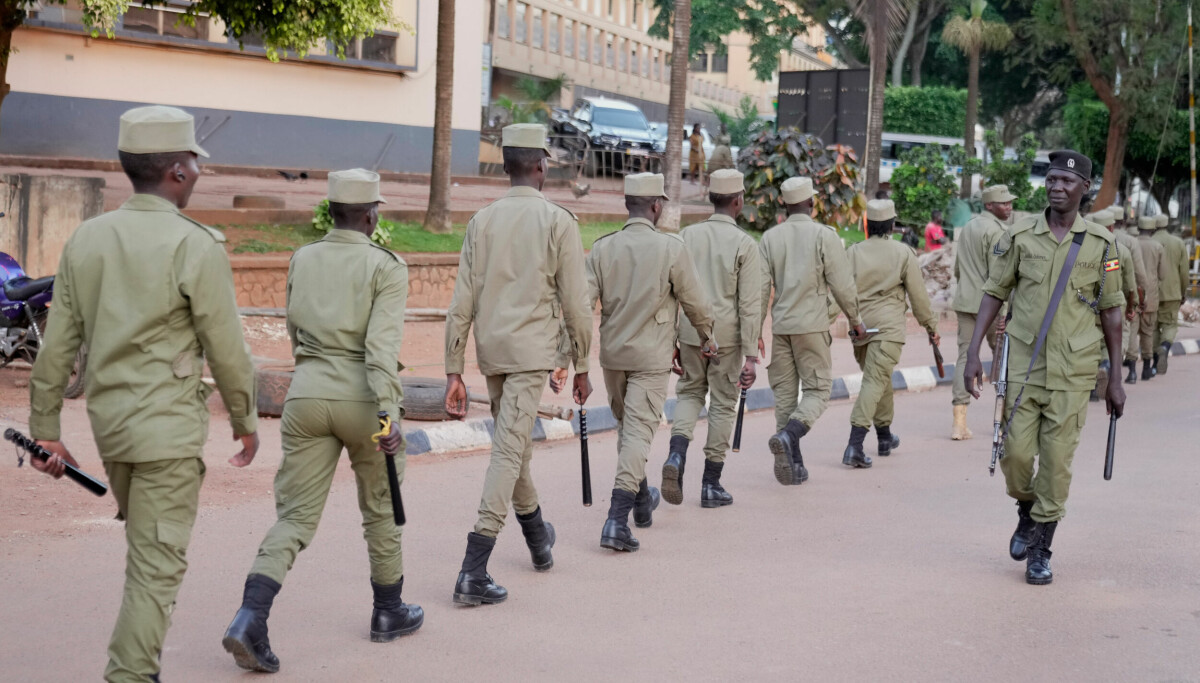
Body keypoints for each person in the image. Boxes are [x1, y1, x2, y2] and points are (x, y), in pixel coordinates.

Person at [27, 105, 259, 682]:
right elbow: (226, 347)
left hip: (113, 431)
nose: (199, 174)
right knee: (157, 568)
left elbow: (57, 345)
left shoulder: (88, 239)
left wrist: (46, 428)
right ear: (177, 171)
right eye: (195, 164)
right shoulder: (196, 244)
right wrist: (245, 419)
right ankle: (129, 675)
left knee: (146, 559)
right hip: (167, 436)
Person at [220, 170, 419, 673]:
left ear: (330, 213)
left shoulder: (302, 257)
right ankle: (388, 611)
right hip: (363, 402)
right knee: (379, 505)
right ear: (372, 215)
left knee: (293, 517)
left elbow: (293, 327)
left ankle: (250, 617)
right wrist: (388, 414)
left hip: (305, 395)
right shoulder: (387, 267)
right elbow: (380, 351)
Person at [443, 123, 593, 604]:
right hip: (532, 354)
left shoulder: (481, 222)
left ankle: (537, 540)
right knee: (509, 451)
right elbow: (576, 303)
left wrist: (453, 368)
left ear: (507, 166)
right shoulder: (559, 222)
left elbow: (461, 300)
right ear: (540, 166)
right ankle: (473, 568)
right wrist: (582, 363)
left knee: (514, 446)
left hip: (494, 354)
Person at [964, 150, 1126, 586]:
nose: (1056, 186)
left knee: (1056, 465)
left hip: (1074, 373)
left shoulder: (1103, 244)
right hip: (1024, 368)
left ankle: (1041, 548)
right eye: (1051, 179)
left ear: (1084, 188)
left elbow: (1112, 311)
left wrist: (1115, 379)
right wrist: (972, 351)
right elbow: (994, 292)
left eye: (1066, 181)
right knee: (1015, 457)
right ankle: (1026, 510)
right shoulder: (1021, 236)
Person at [586, 173, 716, 550]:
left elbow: (581, 305)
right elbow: (695, 301)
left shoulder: (602, 248)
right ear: (656, 206)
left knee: (630, 429)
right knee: (639, 432)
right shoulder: (670, 248)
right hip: (650, 357)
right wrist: (708, 337)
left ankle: (642, 503)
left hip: (613, 356)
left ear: (629, 205)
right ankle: (616, 521)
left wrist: (573, 356)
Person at [664, 169, 760, 507]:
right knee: (722, 403)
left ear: (711, 198)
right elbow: (749, 305)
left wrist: (674, 340)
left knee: (689, 393)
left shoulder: (686, 237)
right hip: (728, 339)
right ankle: (710, 484)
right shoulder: (746, 245)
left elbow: (672, 294)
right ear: (738, 201)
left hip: (691, 333)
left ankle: (676, 456)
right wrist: (750, 355)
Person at [759, 177, 864, 485]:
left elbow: (760, 289)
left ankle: (794, 465)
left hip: (781, 328)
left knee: (786, 397)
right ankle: (790, 436)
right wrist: (855, 320)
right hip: (813, 327)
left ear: (785, 204)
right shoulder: (824, 236)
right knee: (818, 390)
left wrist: (754, 334)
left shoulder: (769, 238)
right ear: (810, 203)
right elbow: (842, 284)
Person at [843, 199, 940, 468]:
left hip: (859, 328)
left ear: (868, 225)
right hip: (888, 329)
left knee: (879, 379)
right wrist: (931, 327)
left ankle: (884, 436)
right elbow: (919, 297)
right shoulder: (903, 252)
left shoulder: (852, 252)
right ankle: (854, 445)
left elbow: (840, 291)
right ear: (892, 225)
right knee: (875, 381)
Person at [950, 185, 1013, 440]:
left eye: (1009, 203)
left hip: (966, 302)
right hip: (991, 307)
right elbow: (1000, 277)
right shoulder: (998, 233)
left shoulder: (968, 228)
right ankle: (1007, 417)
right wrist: (1006, 312)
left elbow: (957, 269)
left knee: (965, 356)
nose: (1009, 207)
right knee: (1007, 358)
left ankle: (959, 422)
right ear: (989, 205)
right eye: (1003, 203)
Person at [1085, 210, 1138, 401]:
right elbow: (1130, 285)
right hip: (1114, 307)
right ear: (1111, 227)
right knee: (1112, 344)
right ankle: (1106, 367)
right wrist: (1133, 307)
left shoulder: (1085, 248)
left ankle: (1091, 385)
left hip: (1090, 309)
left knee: (1092, 347)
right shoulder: (1120, 250)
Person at [1107, 206, 1148, 384]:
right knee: (1127, 330)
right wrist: (1142, 298)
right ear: (1123, 221)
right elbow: (1138, 274)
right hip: (1122, 295)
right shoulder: (1130, 241)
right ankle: (1130, 371)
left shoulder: (1090, 237)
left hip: (1096, 295)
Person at [1151, 212, 1189, 375]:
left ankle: (1153, 362)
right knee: (1170, 325)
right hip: (1172, 293)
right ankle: (1164, 348)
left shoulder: (1148, 242)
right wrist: (1182, 292)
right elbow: (1184, 272)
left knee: (1152, 328)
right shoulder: (1178, 243)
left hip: (1151, 294)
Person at [1136, 215, 1168, 381]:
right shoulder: (1157, 246)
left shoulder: (1130, 243)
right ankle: (1146, 368)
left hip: (1132, 295)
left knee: (1131, 331)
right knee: (1148, 333)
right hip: (1151, 297)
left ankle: (1131, 371)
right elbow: (1162, 275)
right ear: (1152, 229)